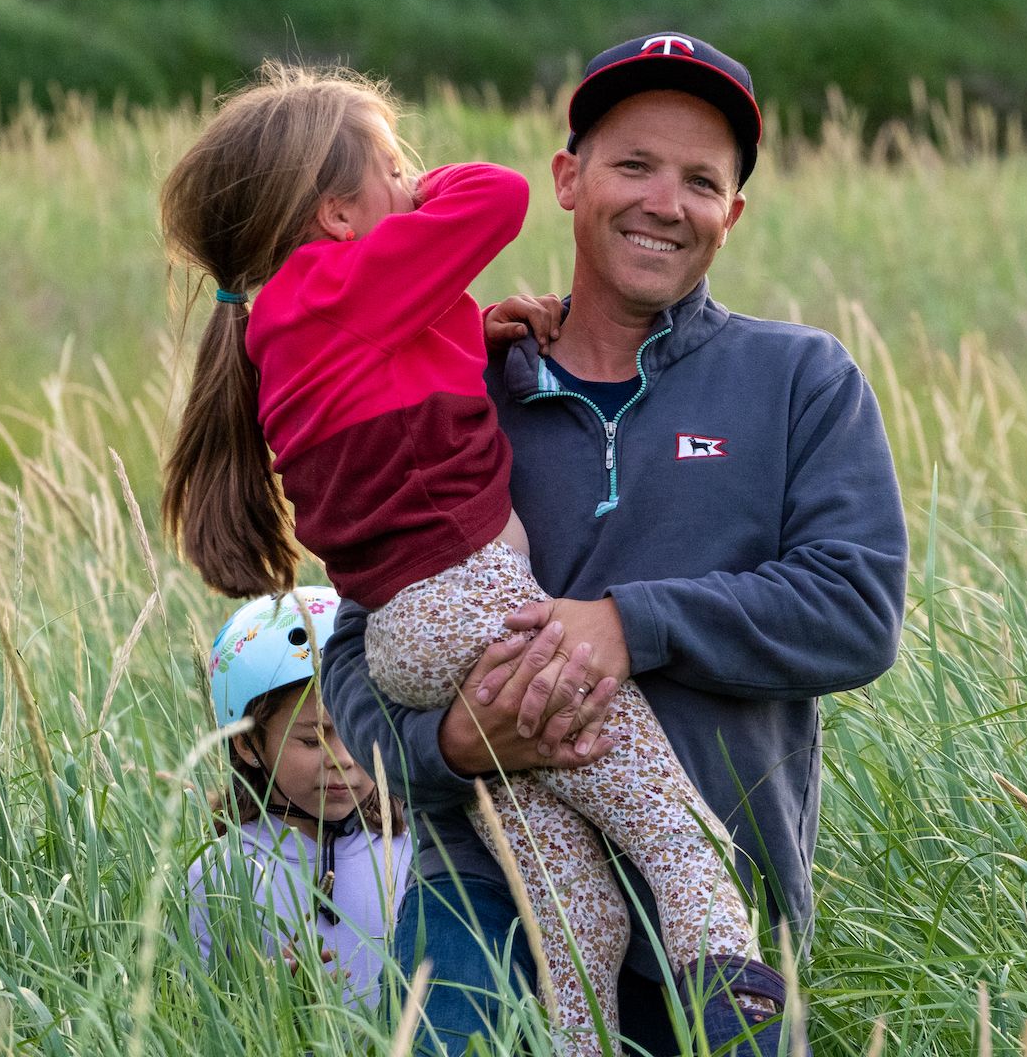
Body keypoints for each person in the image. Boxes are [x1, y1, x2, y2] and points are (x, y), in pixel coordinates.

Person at [158, 62, 783, 1054]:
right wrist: (427, 192)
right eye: (394, 169)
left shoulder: (293, 317)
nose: (413, 184)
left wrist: (471, 327)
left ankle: (582, 1038)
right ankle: (737, 1003)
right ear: (334, 213)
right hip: (472, 603)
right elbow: (498, 192)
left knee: (565, 883)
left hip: (416, 630)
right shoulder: (338, 280)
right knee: (682, 830)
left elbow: (388, 383)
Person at [320, 32, 910, 1055]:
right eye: (633, 164)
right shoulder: (459, 382)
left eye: (700, 179)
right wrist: (448, 746)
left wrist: (630, 625)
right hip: (479, 909)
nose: (662, 201)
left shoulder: (800, 379)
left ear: (732, 211)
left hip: (717, 924)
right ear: (567, 177)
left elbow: (854, 610)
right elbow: (356, 648)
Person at [187, 586, 413, 1012]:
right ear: (248, 744)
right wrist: (265, 1008)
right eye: (313, 739)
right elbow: (187, 1016)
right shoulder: (219, 875)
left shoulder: (420, 854)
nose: (344, 758)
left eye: (360, 728)